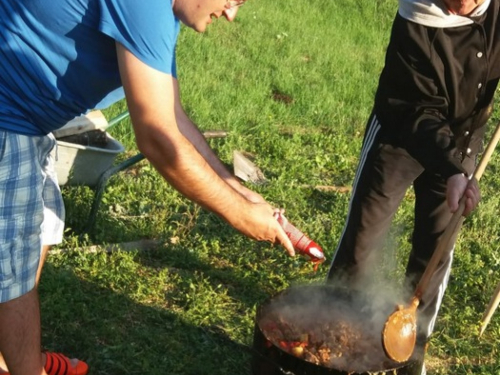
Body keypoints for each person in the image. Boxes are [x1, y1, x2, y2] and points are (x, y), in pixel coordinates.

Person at [0, 1, 297, 375]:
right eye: (232, 0)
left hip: (26, 120)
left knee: (39, 227)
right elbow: (157, 138)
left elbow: (171, 114)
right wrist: (238, 215)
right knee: (10, 267)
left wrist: (238, 189)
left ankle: (8, 360)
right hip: (7, 114)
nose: (231, 14)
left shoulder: (161, 12)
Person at [326, 0, 498, 373]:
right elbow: (415, 109)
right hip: (402, 133)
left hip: (464, 140)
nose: (461, 5)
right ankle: (331, 344)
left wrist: (458, 165)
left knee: (435, 252)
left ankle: (410, 352)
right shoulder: (415, 19)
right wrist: (452, 168)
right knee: (362, 241)